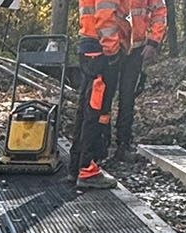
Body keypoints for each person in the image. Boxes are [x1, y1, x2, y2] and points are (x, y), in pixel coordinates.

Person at [70, 0, 126, 188]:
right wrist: (112, 50)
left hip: (88, 44)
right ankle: (87, 169)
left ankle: (76, 165)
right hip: (100, 50)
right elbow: (105, 15)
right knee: (96, 109)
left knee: (85, 108)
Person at [113, 0, 165, 161]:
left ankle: (123, 143)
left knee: (127, 97)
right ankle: (98, 144)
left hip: (134, 50)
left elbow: (160, 11)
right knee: (101, 97)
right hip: (111, 47)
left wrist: (153, 41)